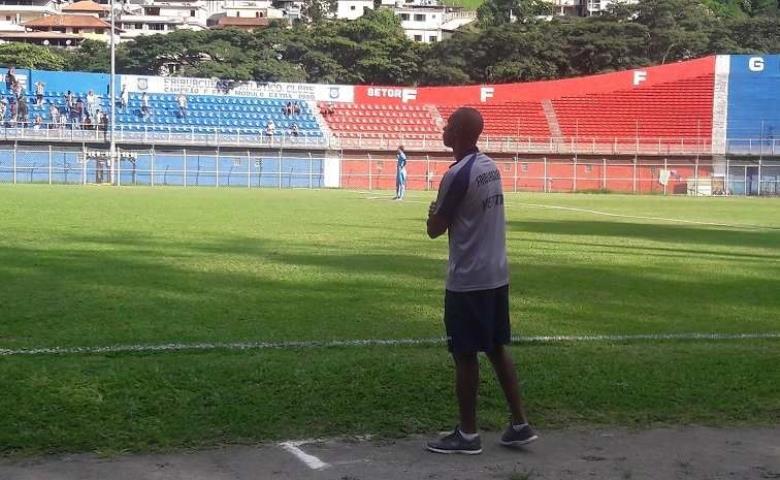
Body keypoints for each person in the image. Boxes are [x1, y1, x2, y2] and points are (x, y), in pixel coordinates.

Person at [425, 107, 537, 455]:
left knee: (464, 354)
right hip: (496, 274)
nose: (443, 129)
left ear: (457, 132)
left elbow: (435, 229)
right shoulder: (490, 167)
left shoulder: (457, 174)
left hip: (468, 280)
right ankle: (520, 424)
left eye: (447, 125)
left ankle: (469, 434)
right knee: (496, 347)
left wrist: (431, 214)